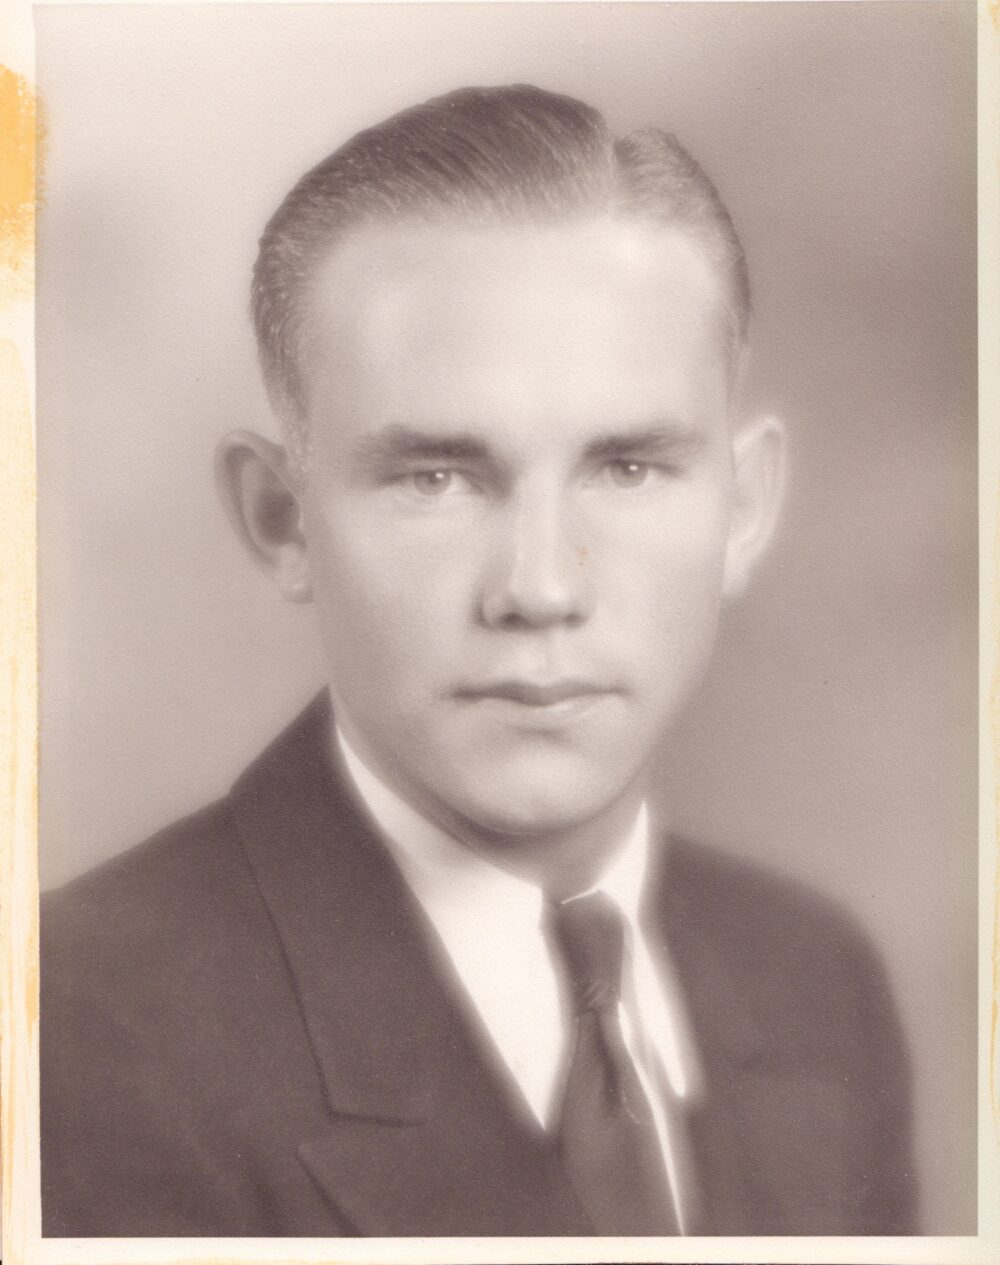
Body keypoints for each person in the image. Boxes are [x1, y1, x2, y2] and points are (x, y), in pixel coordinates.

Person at [40, 84, 919, 1238]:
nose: (540, 588)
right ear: (281, 520)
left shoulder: (812, 978)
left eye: (629, 466)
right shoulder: (71, 1029)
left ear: (743, 509)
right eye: (436, 478)